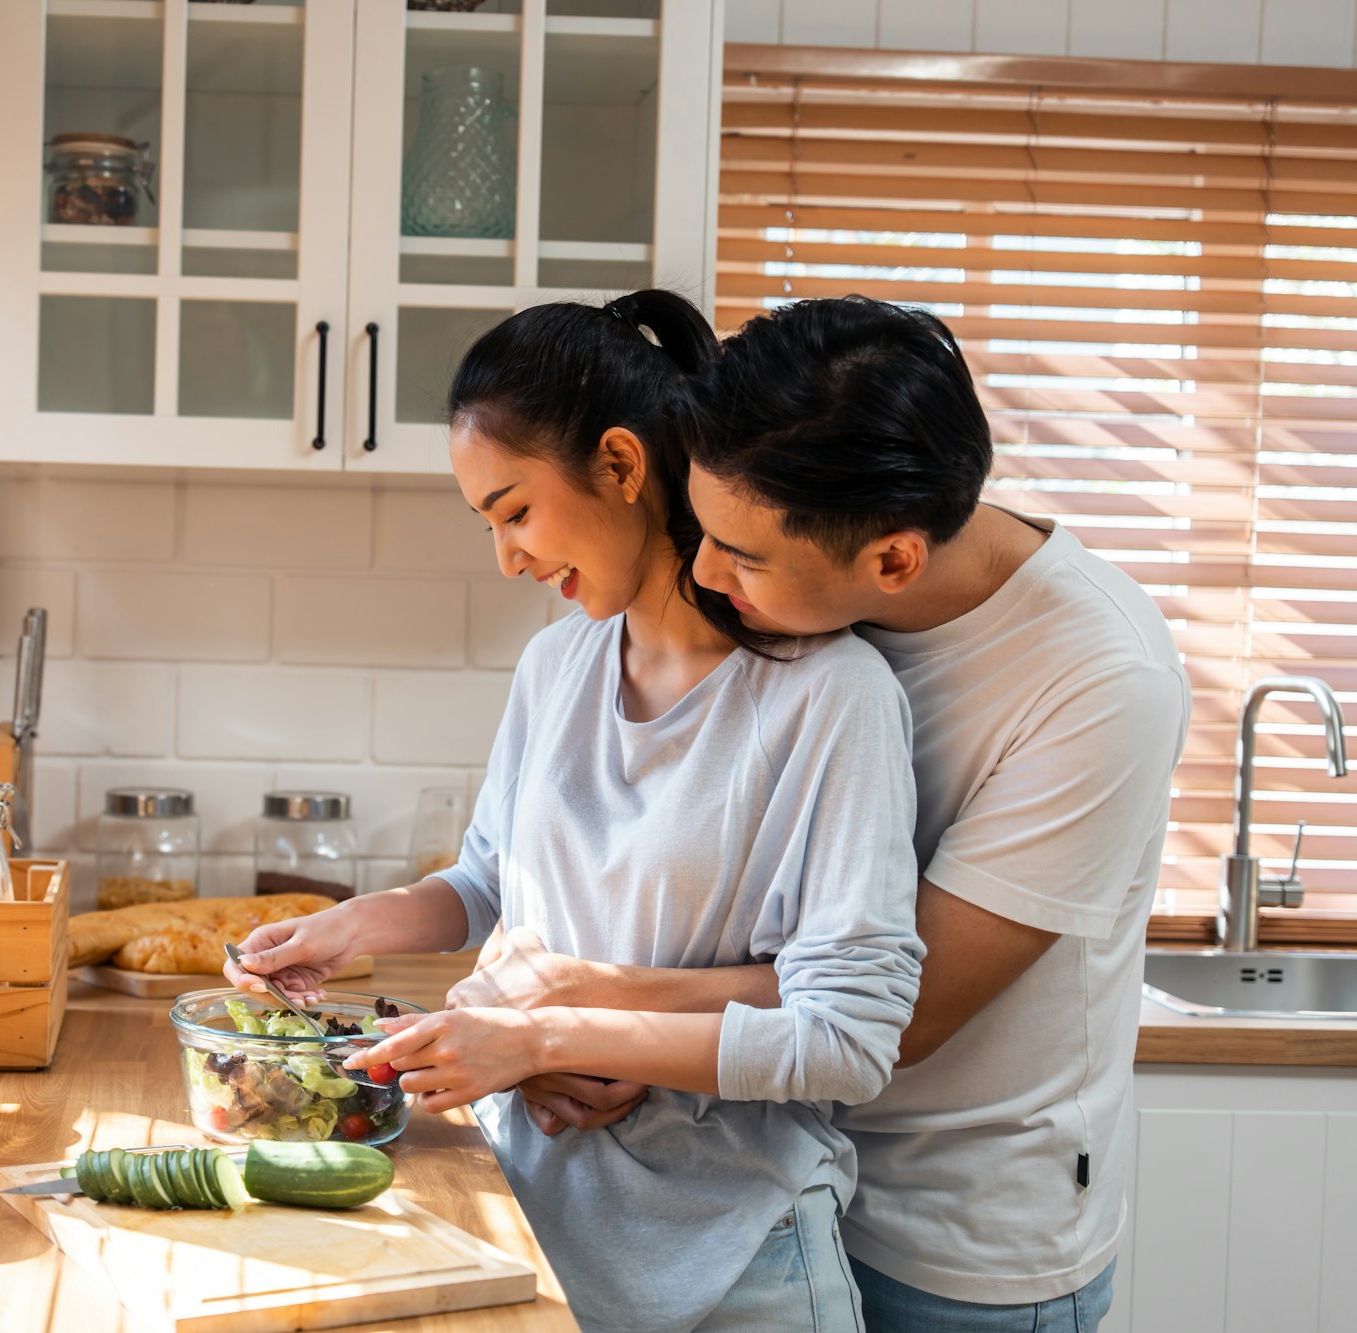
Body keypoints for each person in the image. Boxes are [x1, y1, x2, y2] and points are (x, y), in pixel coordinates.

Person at [456, 296, 1192, 1333]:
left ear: (891, 560)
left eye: (738, 555)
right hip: (771, 1165)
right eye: (701, 529)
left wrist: (589, 1009)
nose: (704, 572)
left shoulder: (1096, 680)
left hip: (953, 1233)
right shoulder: (822, 525)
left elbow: (903, 1008)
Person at [225, 290, 924, 1333]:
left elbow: (843, 1039)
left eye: (513, 509)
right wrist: (344, 927)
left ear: (620, 465)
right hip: (536, 1228)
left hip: (737, 1262)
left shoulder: (829, 696)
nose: (505, 556)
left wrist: (549, 1030)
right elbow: (485, 883)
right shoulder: (556, 664)